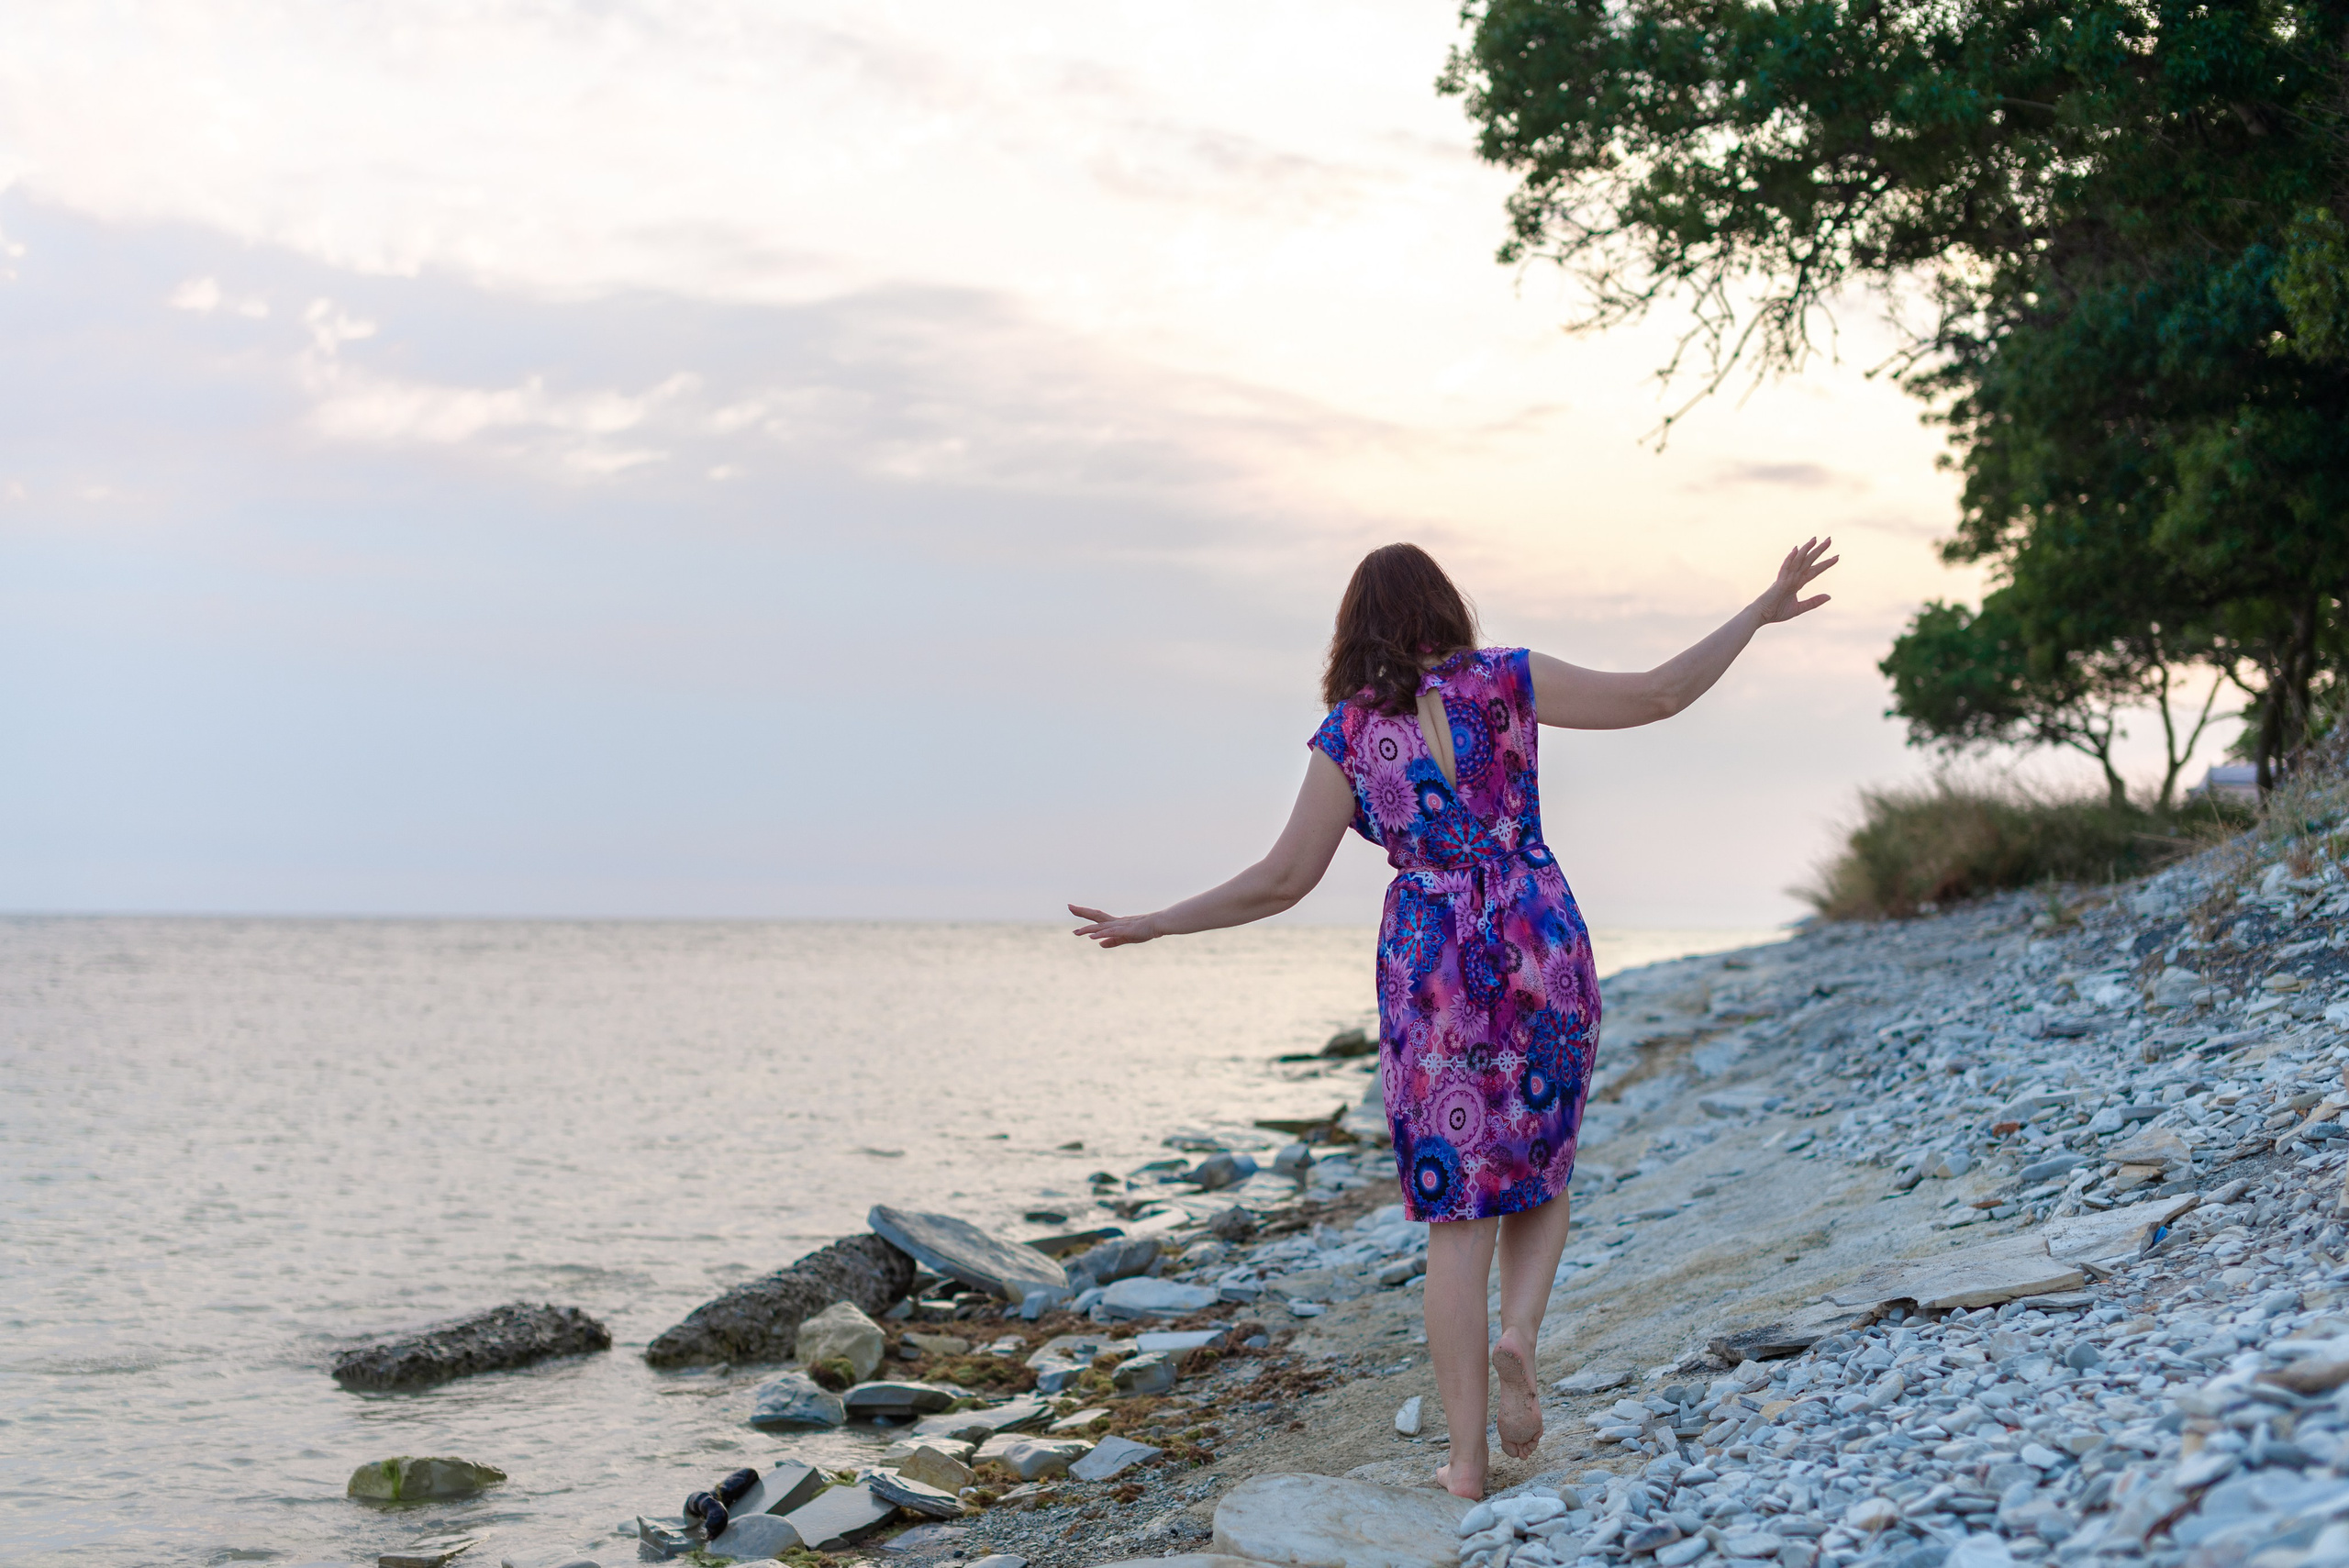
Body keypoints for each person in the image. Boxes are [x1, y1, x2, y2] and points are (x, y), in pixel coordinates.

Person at [1070, 537, 1838, 1498]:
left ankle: (1467, 1463)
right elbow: (1656, 694)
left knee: (1456, 1211)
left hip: (1431, 966)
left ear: (1353, 628)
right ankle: (1519, 1331)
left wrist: (1155, 920)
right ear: (1445, 605)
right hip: (1536, 935)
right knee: (1540, 1153)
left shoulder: (1349, 734)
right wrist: (1756, 609)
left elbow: (1280, 879)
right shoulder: (1505, 680)